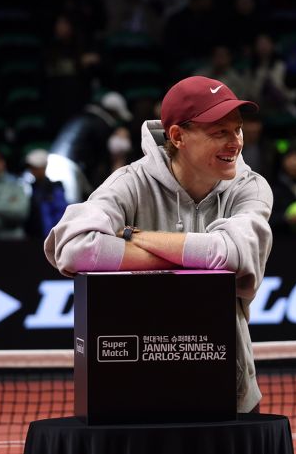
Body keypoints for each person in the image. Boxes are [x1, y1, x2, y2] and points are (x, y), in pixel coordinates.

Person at [44, 76, 273, 413]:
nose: (235, 143)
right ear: (178, 136)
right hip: (139, 381)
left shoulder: (250, 187)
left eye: (237, 129)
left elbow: (229, 254)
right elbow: (72, 247)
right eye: (219, 132)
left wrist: (132, 235)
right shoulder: (129, 183)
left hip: (229, 387)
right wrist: (195, 260)